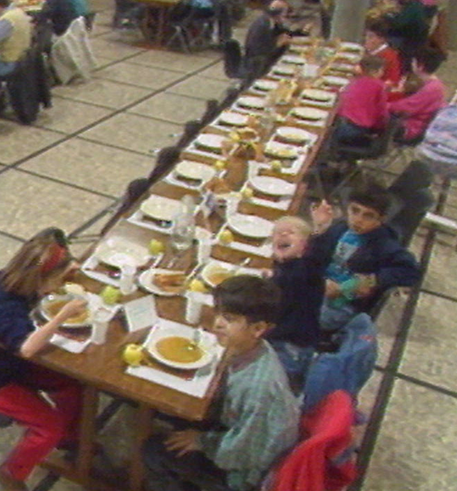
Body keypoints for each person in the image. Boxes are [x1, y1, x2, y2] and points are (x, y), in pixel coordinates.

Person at [143, 276, 300, 491]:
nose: (217, 323)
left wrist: (203, 442)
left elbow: (245, 452)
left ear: (258, 328)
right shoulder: (253, 349)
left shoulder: (259, 388)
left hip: (242, 473)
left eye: (228, 318)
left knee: (153, 449)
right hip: (235, 432)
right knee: (171, 409)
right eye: (218, 313)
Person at [0, 228, 85, 491]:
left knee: (71, 385)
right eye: (58, 280)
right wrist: (62, 316)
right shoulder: (7, 311)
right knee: (48, 426)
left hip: (14, 364)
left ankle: (69, 438)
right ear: (42, 278)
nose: (59, 286)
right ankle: (11, 473)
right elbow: (27, 348)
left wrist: (71, 265)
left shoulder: (16, 281)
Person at [311, 180, 420, 332]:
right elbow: (314, 256)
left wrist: (363, 282)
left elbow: (411, 271)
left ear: (381, 219)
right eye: (354, 211)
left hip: (342, 306)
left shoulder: (384, 244)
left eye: (368, 216)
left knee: (293, 313)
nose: (358, 219)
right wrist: (320, 229)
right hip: (318, 289)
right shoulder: (341, 228)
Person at [263, 216, 327, 390]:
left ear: (305, 246)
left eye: (290, 232)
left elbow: (315, 260)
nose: (282, 234)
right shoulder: (288, 267)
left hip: (290, 348)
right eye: (277, 233)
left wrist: (318, 231)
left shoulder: (306, 270)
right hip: (285, 336)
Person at [387, 46, 448, 141]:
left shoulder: (431, 89)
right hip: (415, 121)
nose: (412, 64)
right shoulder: (433, 84)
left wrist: (384, 105)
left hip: (412, 127)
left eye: (414, 62)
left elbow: (407, 106)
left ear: (420, 66)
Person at [333, 55, 388, 147]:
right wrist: (380, 130)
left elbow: (342, 97)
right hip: (358, 129)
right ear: (376, 71)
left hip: (342, 123)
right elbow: (382, 111)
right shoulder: (379, 86)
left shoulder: (354, 81)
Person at [242, 0, 291, 79]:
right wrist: (277, 43)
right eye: (284, 14)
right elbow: (257, 49)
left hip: (264, 56)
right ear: (278, 14)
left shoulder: (271, 21)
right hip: (256, 61)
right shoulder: (262, 25)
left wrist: (303, 32)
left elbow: (285, 33)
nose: (285, 16)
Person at [385, 0, 429, 65]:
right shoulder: (415, 4)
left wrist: (387, 16)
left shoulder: (412, 7)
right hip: (413, 38)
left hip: (408, 40)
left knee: (381, 35)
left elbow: (397, 23)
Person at [363, 21, 402, 88]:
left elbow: (391, 83)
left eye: (371, 37)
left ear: (382, 39)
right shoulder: (375, 51)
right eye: (365, 35)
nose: (366, 39)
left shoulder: (388, 57)